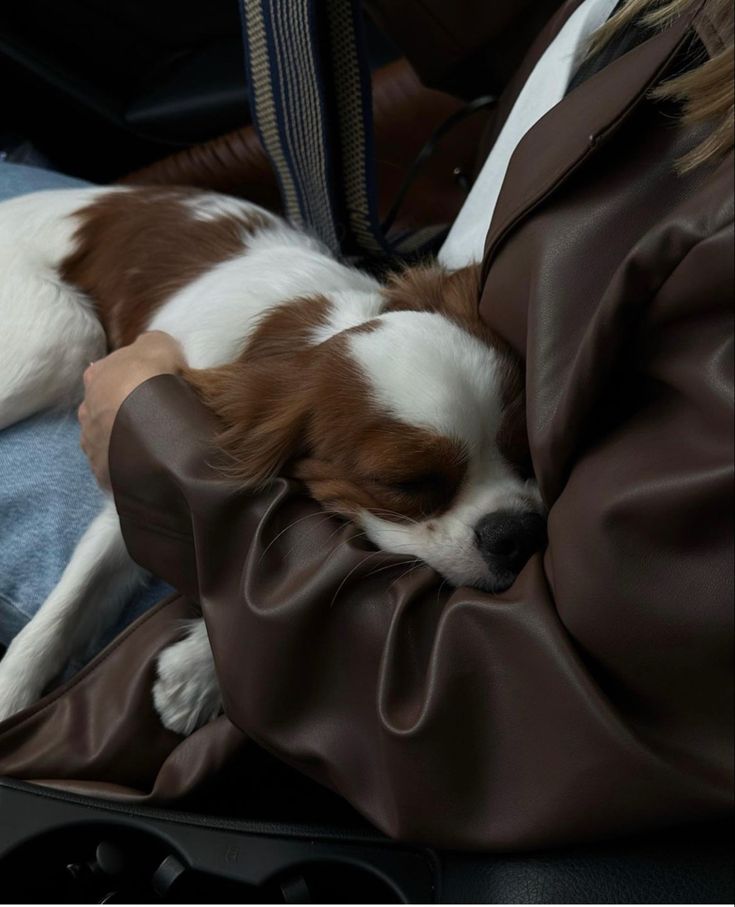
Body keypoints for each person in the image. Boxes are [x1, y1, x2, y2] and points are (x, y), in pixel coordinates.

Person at [0, 0, 732, 850]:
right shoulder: (678, 26)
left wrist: (154, 441)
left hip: (315, 620)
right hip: (108, 301)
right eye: (417, 487)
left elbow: (540, 688)